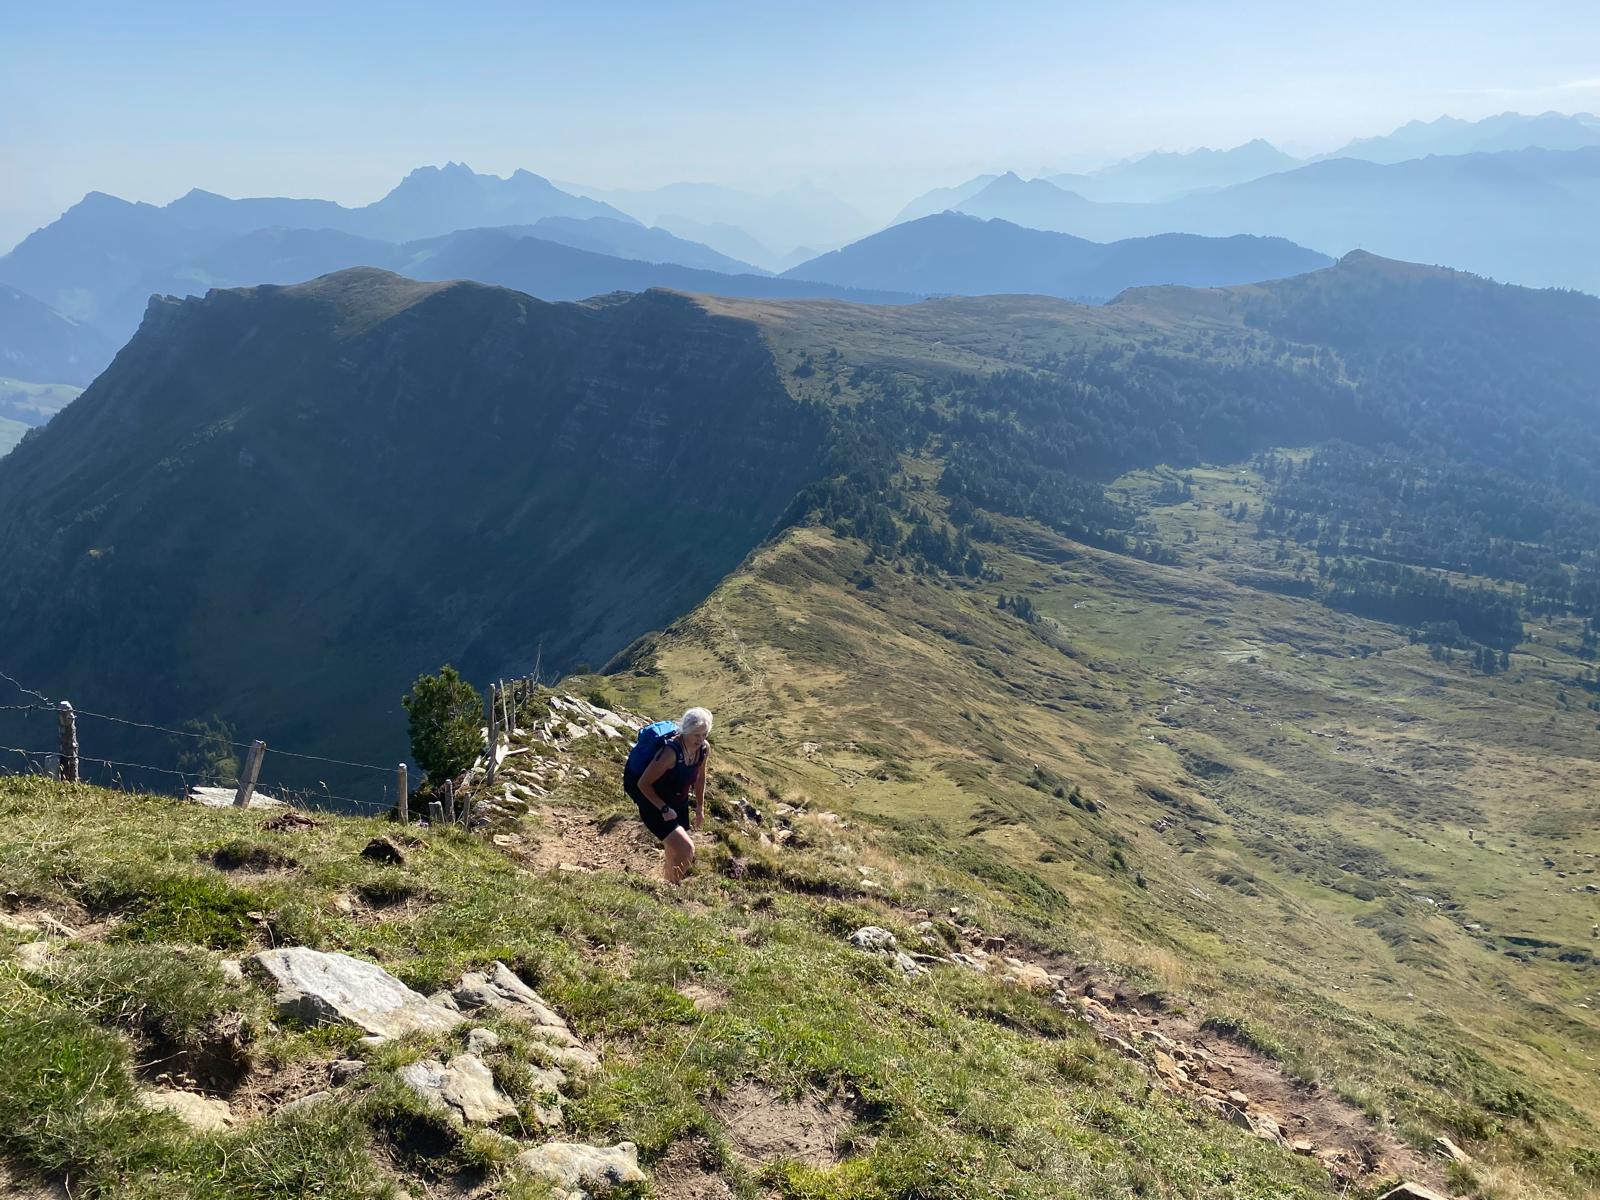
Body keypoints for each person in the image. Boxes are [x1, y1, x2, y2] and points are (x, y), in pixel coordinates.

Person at [624, 707, 711, 884]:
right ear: (686, 731)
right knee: (686, 849)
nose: (701, 740)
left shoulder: (703, 749)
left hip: (678, 800)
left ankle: (665, 881)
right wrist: (663, 808)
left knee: (675, 848)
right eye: (696, 735)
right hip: (653, 802)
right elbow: (643, 784)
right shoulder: (669, 753)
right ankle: (670, 888)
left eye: (704, 734)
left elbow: (700, 777)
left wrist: (700, 807)